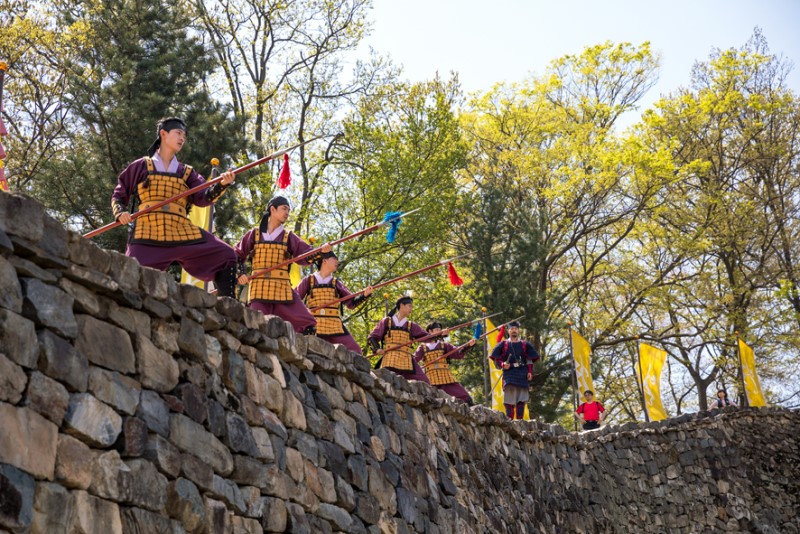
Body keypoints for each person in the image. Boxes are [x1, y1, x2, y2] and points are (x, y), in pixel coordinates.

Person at [111, 117, 239, 296]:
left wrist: (221, 185)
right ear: (163, 134)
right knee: (129, 277)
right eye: (178, 133)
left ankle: (230, 310)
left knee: (226, 255)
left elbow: (203, 198)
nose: (182, 138)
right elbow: (119, 194)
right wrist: (120, 213)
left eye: (184, 135)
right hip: (148, 231)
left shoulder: (186, 172)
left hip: (181, 230)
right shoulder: (141, 166)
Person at [234, 196, 330, 333]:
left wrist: (321, 252)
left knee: (308, 324)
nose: (287, 213)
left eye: (289, 210)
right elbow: (237, 254)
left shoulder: (288, 236)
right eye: (284, 209)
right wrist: (241, 273)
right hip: (258, 288)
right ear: (272, 209)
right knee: (255, 326)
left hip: (281, 288)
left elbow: (306, 254)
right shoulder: (254, 234)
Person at [296, 250, 373, 353]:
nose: (337, 262)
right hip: (314, 324)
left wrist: (364, 295)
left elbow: (351, 303)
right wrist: (305, 311)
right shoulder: (309, 280)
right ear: (324, 261)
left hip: (334, 325)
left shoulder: (336, 283)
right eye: (334, 259)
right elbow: (295, 298)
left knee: (355, 350)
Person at [367, 296, 430, 382]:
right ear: (402, 305)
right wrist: (377, 349)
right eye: (410, 306)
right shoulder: (386, 321)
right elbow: (372, 337)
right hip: (390, 357)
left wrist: (440, 334)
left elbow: (426, 337)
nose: (411, 308)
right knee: (386, 381)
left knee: (424, 381)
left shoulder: (411, 325)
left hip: (406, 358)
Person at [414, 321, 476, 404]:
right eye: (436, 329)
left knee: (465, 397)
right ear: (430, 331)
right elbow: (414, 360)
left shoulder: (444, 345)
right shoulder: (422, 347)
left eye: (440, 329)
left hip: (445, 376)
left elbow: (457, 352)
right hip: (430, 378)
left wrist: (468, 345)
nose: (439, 331)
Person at [489, 320, 540, 419]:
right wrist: (503, 364)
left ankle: (520, 422)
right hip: (509, 374)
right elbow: (496, 358)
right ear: (508, 331)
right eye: (512, 329)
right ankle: (510, 422)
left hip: (522, 373)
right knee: (509, 400)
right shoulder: (503, 344)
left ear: (518, 331)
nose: (514, 330)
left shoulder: (525, 345)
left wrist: (530, 371)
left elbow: (529, 359)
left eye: (516, 329)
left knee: (521, 399)